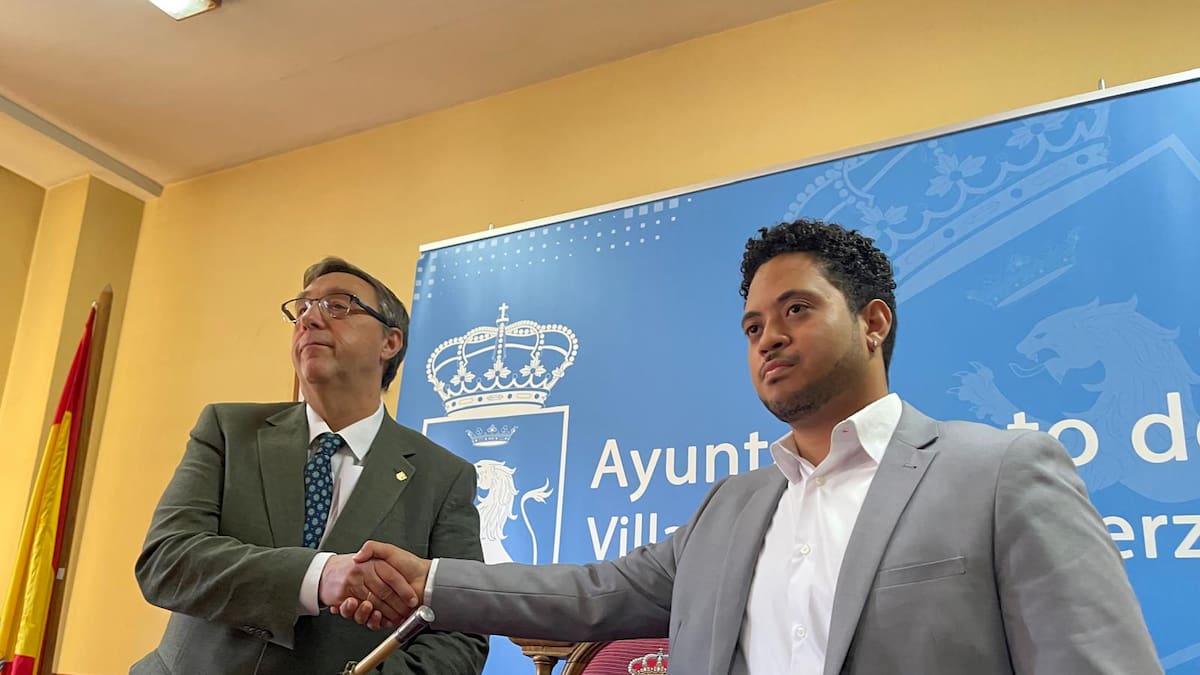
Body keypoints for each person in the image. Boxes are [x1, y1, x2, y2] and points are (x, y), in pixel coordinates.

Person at [335, 221, 1162, 674]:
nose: (768, 336)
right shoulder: (730, 507)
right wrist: (428, 581)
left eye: (797, 309)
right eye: (753, 324)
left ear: (874, 322)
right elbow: (591, 592)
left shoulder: (1001, 472)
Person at [132, 257, 488, 675]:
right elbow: (165, 562)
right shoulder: (228, 429)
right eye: (301, 308)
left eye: (337, 305)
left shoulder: (444, 477)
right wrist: (319, 576)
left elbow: (462, 633)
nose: (309, 319)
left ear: (389, 343)